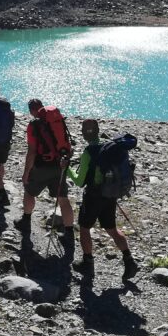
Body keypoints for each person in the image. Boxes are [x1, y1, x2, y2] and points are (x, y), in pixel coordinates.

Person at [68, 119, 139, 282]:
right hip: (110, 194)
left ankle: (88, 262)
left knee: (85, 228)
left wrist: (67, 169)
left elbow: (79, 182)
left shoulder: (88, 152)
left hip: (94, 196)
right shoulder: (109, 147)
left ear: (83, 133)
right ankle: (129, 261)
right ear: (99, 130)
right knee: (111, 229)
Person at [15, 98, 75, 249]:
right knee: (63, 198)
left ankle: (26, 221)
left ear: (31, 111)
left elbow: (32, 151)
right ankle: (69, 233)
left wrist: (26, 172)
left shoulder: (34, 125)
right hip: (60, 164)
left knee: (29, 192)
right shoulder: (57, 121)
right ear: (42, 107)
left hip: (42, 166)